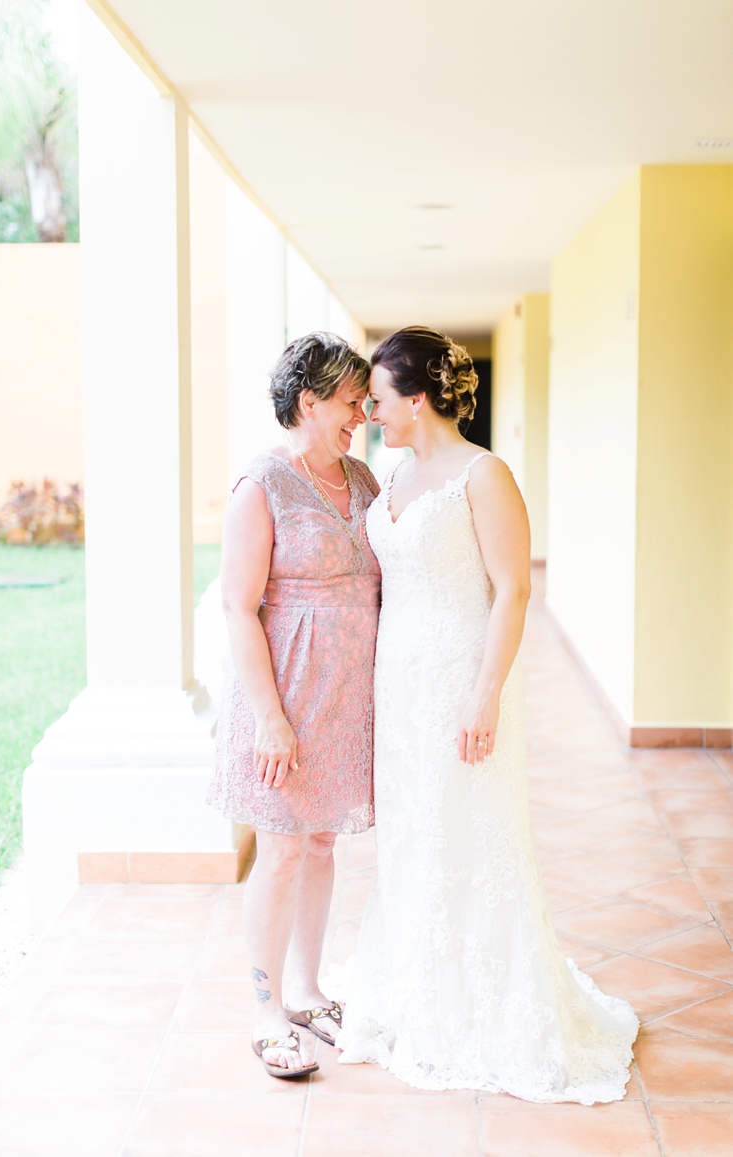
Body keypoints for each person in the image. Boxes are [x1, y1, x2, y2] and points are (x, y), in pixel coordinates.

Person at [335, 326, 638, 1102]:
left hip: (458, 678)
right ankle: (419, 990)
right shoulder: (389, 476)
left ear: (418, 397)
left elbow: (512, 588)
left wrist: (483, 692)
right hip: (396, 688)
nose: (369, 410)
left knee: (470, 831)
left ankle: (490, 1007)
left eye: (377, 397)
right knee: (414, 833)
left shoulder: (483, 473)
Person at [207, 332, 380, 1079]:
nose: (362, 414)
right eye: (349, 401)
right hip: (284, 700)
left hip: (344, 701)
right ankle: (265, 1008)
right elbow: (237, 608)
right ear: (308, 403)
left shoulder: (364, 478)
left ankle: (308, 990)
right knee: (278, 848)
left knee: (319, 843)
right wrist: (271, 718)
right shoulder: (262, 486)